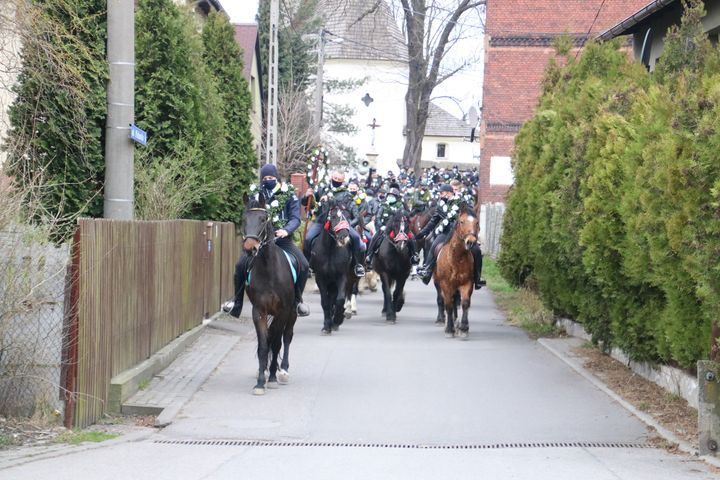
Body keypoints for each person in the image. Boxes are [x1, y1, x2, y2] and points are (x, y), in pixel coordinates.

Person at [228, 164, 310, 318]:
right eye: (265, 178)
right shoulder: (255, 193)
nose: (268, 180)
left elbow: (295, 218)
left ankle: (298, 302)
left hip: (282, 240)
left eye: (271, 178)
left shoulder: (289, 193)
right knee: (240, 265)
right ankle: (236, 302)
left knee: (304, 265)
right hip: (260, 242)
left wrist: (286, 230)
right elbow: (250, 217)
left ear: (277, 178)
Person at [415, 184, 484, 290]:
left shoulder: (461, 203)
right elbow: (433, 221)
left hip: (461, 235)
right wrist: (422, 233)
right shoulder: (440, 205)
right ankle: (427, 271)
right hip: (446, 232)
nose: (440, 195)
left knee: (477, 251)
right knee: (434, 245)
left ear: (449, 193)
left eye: (441, 193)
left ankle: (478, 278)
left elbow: (470, 216)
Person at [302, 170, 366, 277]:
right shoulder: (322, 189)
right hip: (321, 221)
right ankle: (307, 264)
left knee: (356, 239)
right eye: (335, 178)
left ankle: (358, 264)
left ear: (343, 181)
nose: (336, 181)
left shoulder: (347, 194)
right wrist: (307, 196)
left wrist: (330, 199)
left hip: (340, 223)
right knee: (308, 238)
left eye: (339, 180)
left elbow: (341, 207)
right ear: (331, 176)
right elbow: (307, 203)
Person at [365, 187, 419, 267]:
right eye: (389, 195)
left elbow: (404, 217)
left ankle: (414, 255)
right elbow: (378, 218)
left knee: (411, 236)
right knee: (375, 237)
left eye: (393, 196)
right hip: (384, 227)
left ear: (396, 197)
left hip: (398, 228)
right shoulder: (383, 205)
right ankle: (370, 256)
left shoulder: (400, 206)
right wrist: (380, 226)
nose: (390, 197)